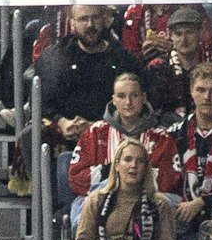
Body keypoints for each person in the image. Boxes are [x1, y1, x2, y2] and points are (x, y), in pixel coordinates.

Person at [74, 138, 177, 240]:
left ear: (145, 168)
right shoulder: (96, 200)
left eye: (140, 161)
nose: (133, 166)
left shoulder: (160, 204)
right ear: (116, 165)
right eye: (127, 159)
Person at [39, 6, 144, 157]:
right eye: (83, 19)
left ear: (105, 20)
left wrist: (96, 127)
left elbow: (132, 104)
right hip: (65, 131)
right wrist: (61, 122)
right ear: (72, 23)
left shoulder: (123, 59)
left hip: (111, 132)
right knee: (32, 133)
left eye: (95, 18)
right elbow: (43, 101)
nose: (90, 25)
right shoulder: (55, 57)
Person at [65, 72, 176, 214]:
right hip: (101, 199)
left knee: (170, 202)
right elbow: (76, 179)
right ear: (114, 100)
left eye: (134, 95)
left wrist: (128, 186)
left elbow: (171, 180)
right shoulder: (95, 133)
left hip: (147, 202)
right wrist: (109, 173)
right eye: (121, 96)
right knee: (82, 206)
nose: (128, 102)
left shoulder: (162, 137)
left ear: (144, 98)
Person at [164, 63, 212, 240]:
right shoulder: (175, 133)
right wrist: (188, 204)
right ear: (191, 91)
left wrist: (202, 202)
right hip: (183, 206)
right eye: (201, 90)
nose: (207, 97)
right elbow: (167, 179)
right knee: (159, 202)